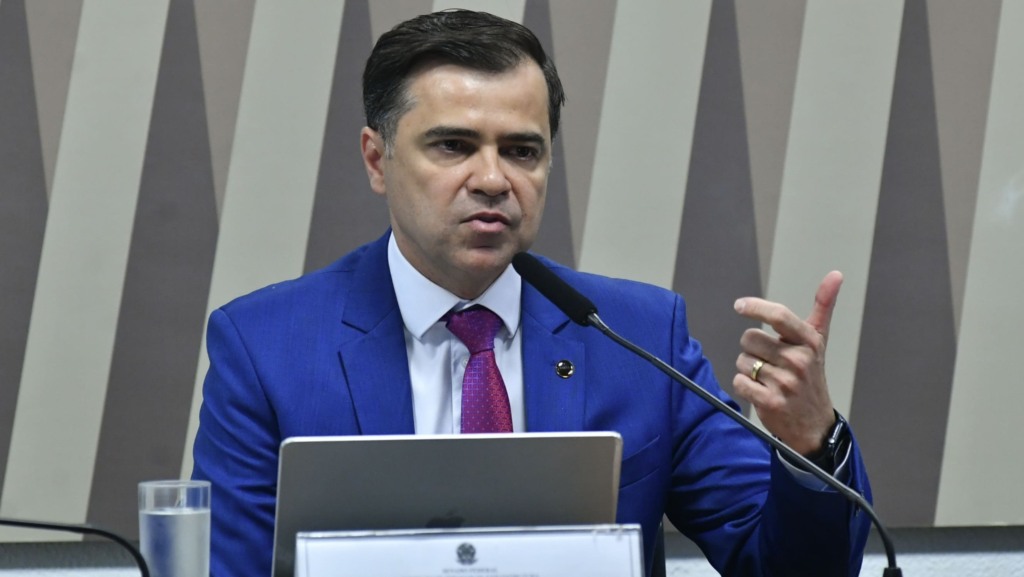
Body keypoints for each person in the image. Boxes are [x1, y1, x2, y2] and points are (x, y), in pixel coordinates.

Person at [191, 9, 872, 577]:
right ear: (378, 158)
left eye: (522, 151)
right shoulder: (266, 347)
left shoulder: (636, 335)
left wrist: (809, 446)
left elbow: (791, 569)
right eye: (454, 146)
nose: (492, 179)